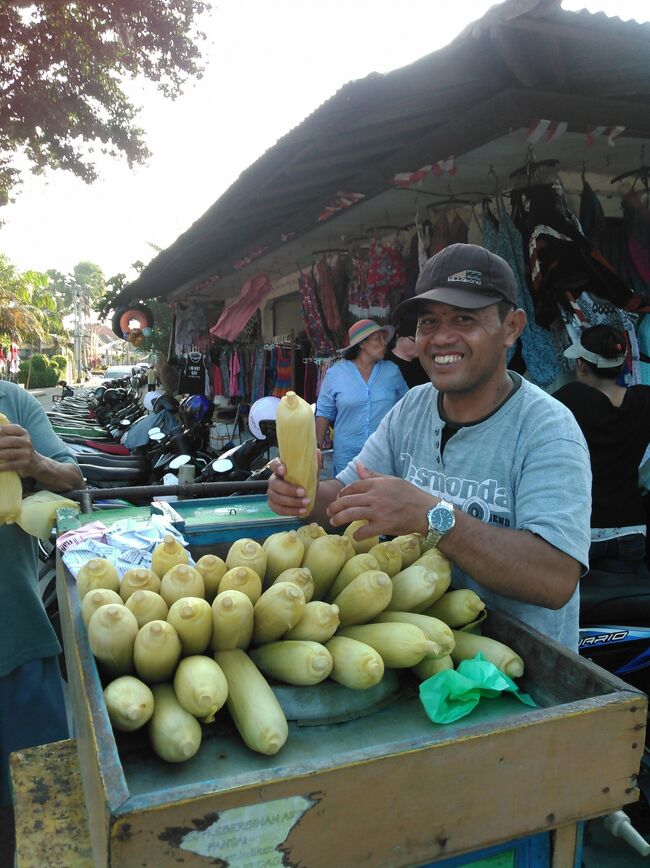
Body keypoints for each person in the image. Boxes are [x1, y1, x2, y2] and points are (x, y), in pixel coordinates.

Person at [269, 243, 592, 650]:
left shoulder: (547, 429)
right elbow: (346, 495)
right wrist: (303, 492)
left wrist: (432, 516)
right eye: (428, 322)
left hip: (523, 680)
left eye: (464, 318)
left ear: (511, 327)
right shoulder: (413, 408)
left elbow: (555, 578)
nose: (441, 338)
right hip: (423, 654)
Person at [0, 380, 85, 860]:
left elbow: (74, 478)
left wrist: (32, 463)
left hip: (19, 640)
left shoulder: (12, 401)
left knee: (44, 811)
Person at [554, 324, 650, 571]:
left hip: (580, 530)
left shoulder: (571, 398)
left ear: (582, 365)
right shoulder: (644, 400)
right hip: (632, 530)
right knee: (625, 609)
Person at [315, 319, 408, 476]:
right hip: (347, 456)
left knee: (382, 498)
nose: (384, 343)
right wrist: (316, 450)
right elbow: (324, 413)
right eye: (377, 338)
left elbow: (408, 408)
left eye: (383, 338)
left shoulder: (392, 372)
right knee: (347, 497)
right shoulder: (336, 374)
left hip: (384, 455)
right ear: (362, 344)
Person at [386, 313, 429, 388]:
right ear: (399, 337)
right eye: (414, 340)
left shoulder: (424, 362)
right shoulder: (385, 363)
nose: (419, 344)